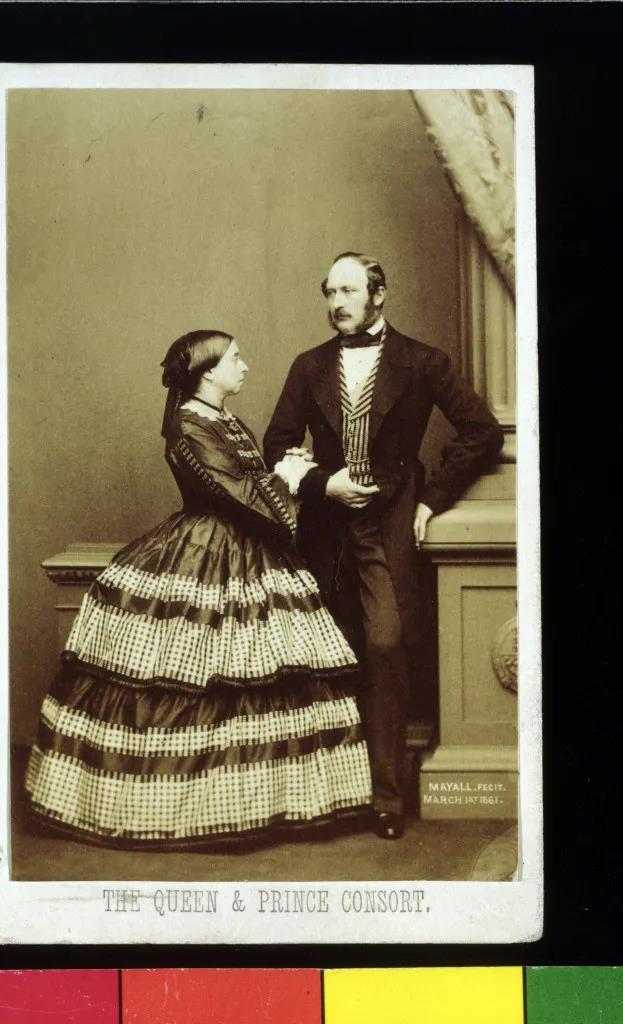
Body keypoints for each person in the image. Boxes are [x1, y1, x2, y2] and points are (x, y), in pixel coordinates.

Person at [25, 329, 373, 848]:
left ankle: (266, 801)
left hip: (252, 551)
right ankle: (192, 810)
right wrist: (290, 478)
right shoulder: (189, 426)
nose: (245, 366)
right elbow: (241, 499)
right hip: (206, 549)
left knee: (262, 673)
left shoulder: (224, 418)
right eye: (235, 358)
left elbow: (252, 488)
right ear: (208, 372)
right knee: (200, 677)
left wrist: (286, 473)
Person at [264, 253, 504, 839]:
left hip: (389, 523)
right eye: (329, 292)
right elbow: (276, 445)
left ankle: (385, 798)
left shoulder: (423, 362)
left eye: (347, 291)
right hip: (324, 529)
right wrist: (325, 484)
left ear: (379, 294)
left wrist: (431, 500)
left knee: (385, 645)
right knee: (322, 653)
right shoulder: (308, 365)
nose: (336, 303)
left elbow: (482, 432)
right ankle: (323, 797)